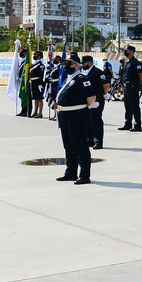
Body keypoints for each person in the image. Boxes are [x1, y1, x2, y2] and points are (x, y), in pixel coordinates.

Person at [54, 52, 97, 185]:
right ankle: (70, 172)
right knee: (68, 146)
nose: (66, 66)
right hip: (65, 116)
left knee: (80, 146)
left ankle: (84, 175)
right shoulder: (68, 78)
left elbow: (90, 98)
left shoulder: (82, 78)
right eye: (65, 64)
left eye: (69, 63)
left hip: (76, 116)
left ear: (77, 66)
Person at [81, 56, 110, 149]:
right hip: (89, 100)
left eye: (84, 63)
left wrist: (104, 94)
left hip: (97, 100)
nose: (82, 65)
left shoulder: (98, 72)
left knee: (96, 119)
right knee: (88, 120)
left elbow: (106, 85)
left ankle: (98, 141)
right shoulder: (85, 73)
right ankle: (90, 140)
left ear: (89, 62)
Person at [118, 45, 142, 132]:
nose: (126, 52)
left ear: (132, 52)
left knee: (134, 107)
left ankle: (137, 125)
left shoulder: (135, 62)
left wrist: (139, 82)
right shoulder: (127, 62)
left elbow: (141, 74)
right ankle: (127, 124)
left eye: (127, 51)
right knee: (127, 107)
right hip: (126, 88)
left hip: (133, 87)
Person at [29, 50, 46, 118]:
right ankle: (35, 111)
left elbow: (41, 76)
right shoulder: (34, 65)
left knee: (39, 98)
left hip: (38, 83)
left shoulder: (41, 66)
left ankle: (40, 113)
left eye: (36, 55)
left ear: (40, 57)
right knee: (35, 98)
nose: (35, 56)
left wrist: (40, 84)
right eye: (34, 55)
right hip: (33, 83)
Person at [47, 55, 63, 120]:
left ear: (59, 60)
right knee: (54, 100)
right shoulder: (55, 67)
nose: (55, 61)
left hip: (57, 84)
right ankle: (55, 114)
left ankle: (58, 115)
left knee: (57, 100)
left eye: (56, 60)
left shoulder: (60, 67)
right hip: (53, 84)